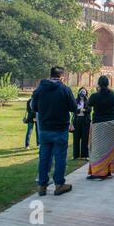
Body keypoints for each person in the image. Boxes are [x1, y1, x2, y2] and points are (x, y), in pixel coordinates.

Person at [32, 66, 77, 196]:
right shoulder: (65, 89)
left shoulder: (40, 89)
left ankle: (42, 186)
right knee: (60, 157)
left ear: (50, 75)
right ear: (62, 76)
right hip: (60, 128)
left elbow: (34, 107)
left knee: (44, 158)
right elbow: (73, 107)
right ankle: (59, 185)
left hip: (45, 129)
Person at [86, 75, 114, 180]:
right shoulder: (112, 94)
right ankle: (108, 171)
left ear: (99, 84)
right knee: (110, 148)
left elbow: (88, 104)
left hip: (100, 124)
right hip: (113, 123)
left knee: (97, 149)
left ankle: (98, 173)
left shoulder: (95, 95)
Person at [72, 87, 91, 160]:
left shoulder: (88, 100)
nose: (82, 93)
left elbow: (89, 110)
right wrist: (82, 110)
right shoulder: (76, 100)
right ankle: (75, 155)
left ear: (86, 93)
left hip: (85, 121)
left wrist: (80, 109)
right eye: (81, 91)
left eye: (84, 91)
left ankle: (84, 155)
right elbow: (74, 109)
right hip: (77, 121)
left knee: (85, 138)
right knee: (76, 138)